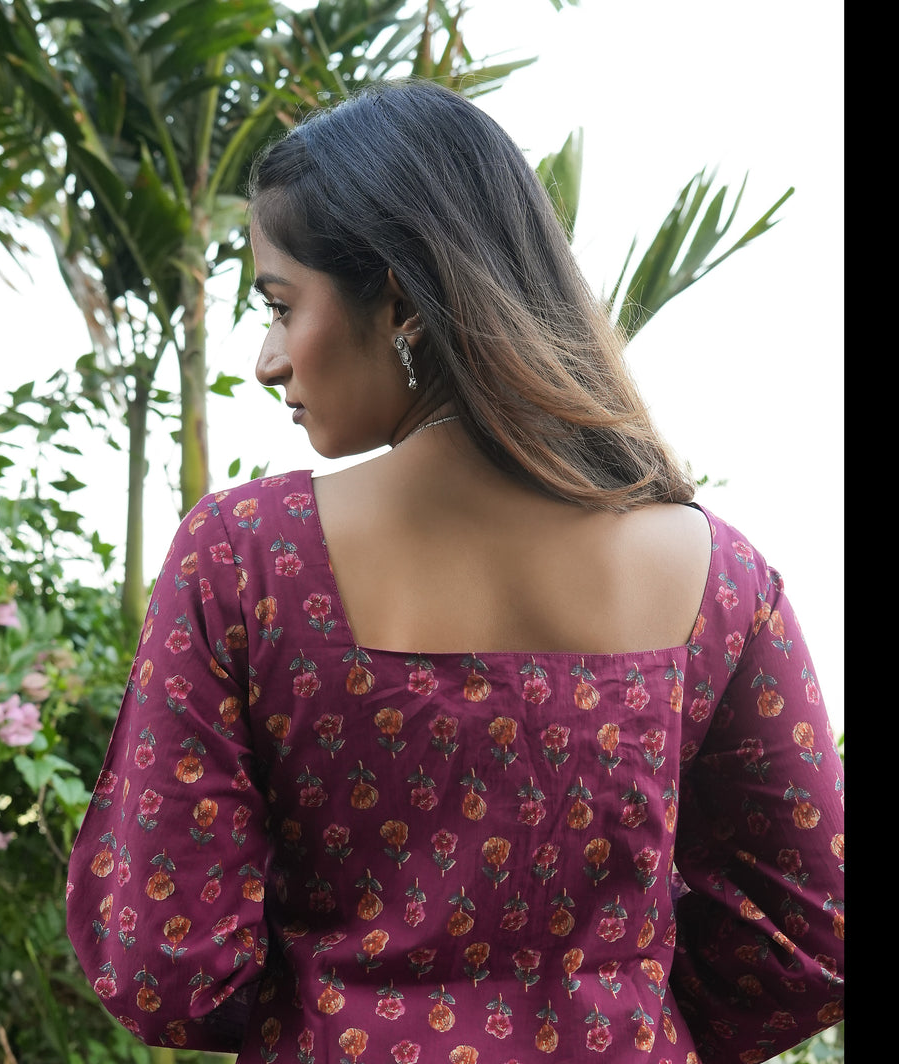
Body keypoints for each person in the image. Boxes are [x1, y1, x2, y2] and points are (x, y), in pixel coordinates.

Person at [66, 80, 844, 1063]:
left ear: (394, 298)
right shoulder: (719, 577)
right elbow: (811, 930)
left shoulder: (245, 558)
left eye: (278, 304)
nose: (266, 359)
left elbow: (160, 960)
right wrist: (622, 1011)